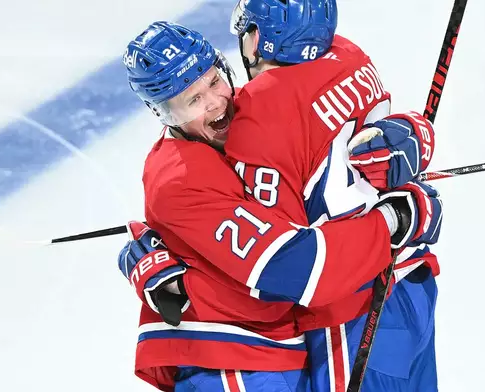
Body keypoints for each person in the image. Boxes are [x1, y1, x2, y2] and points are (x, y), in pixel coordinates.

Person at [117, 20, 441, 392]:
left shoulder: (258, 115)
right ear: (163, 114)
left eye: (212, 81)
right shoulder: (179, 181)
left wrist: (411, 133)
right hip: (228, 361)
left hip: (284, 353)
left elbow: (331, 138)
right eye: (192, 101)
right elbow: (291, 275)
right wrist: (396, 220)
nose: (215, 102)